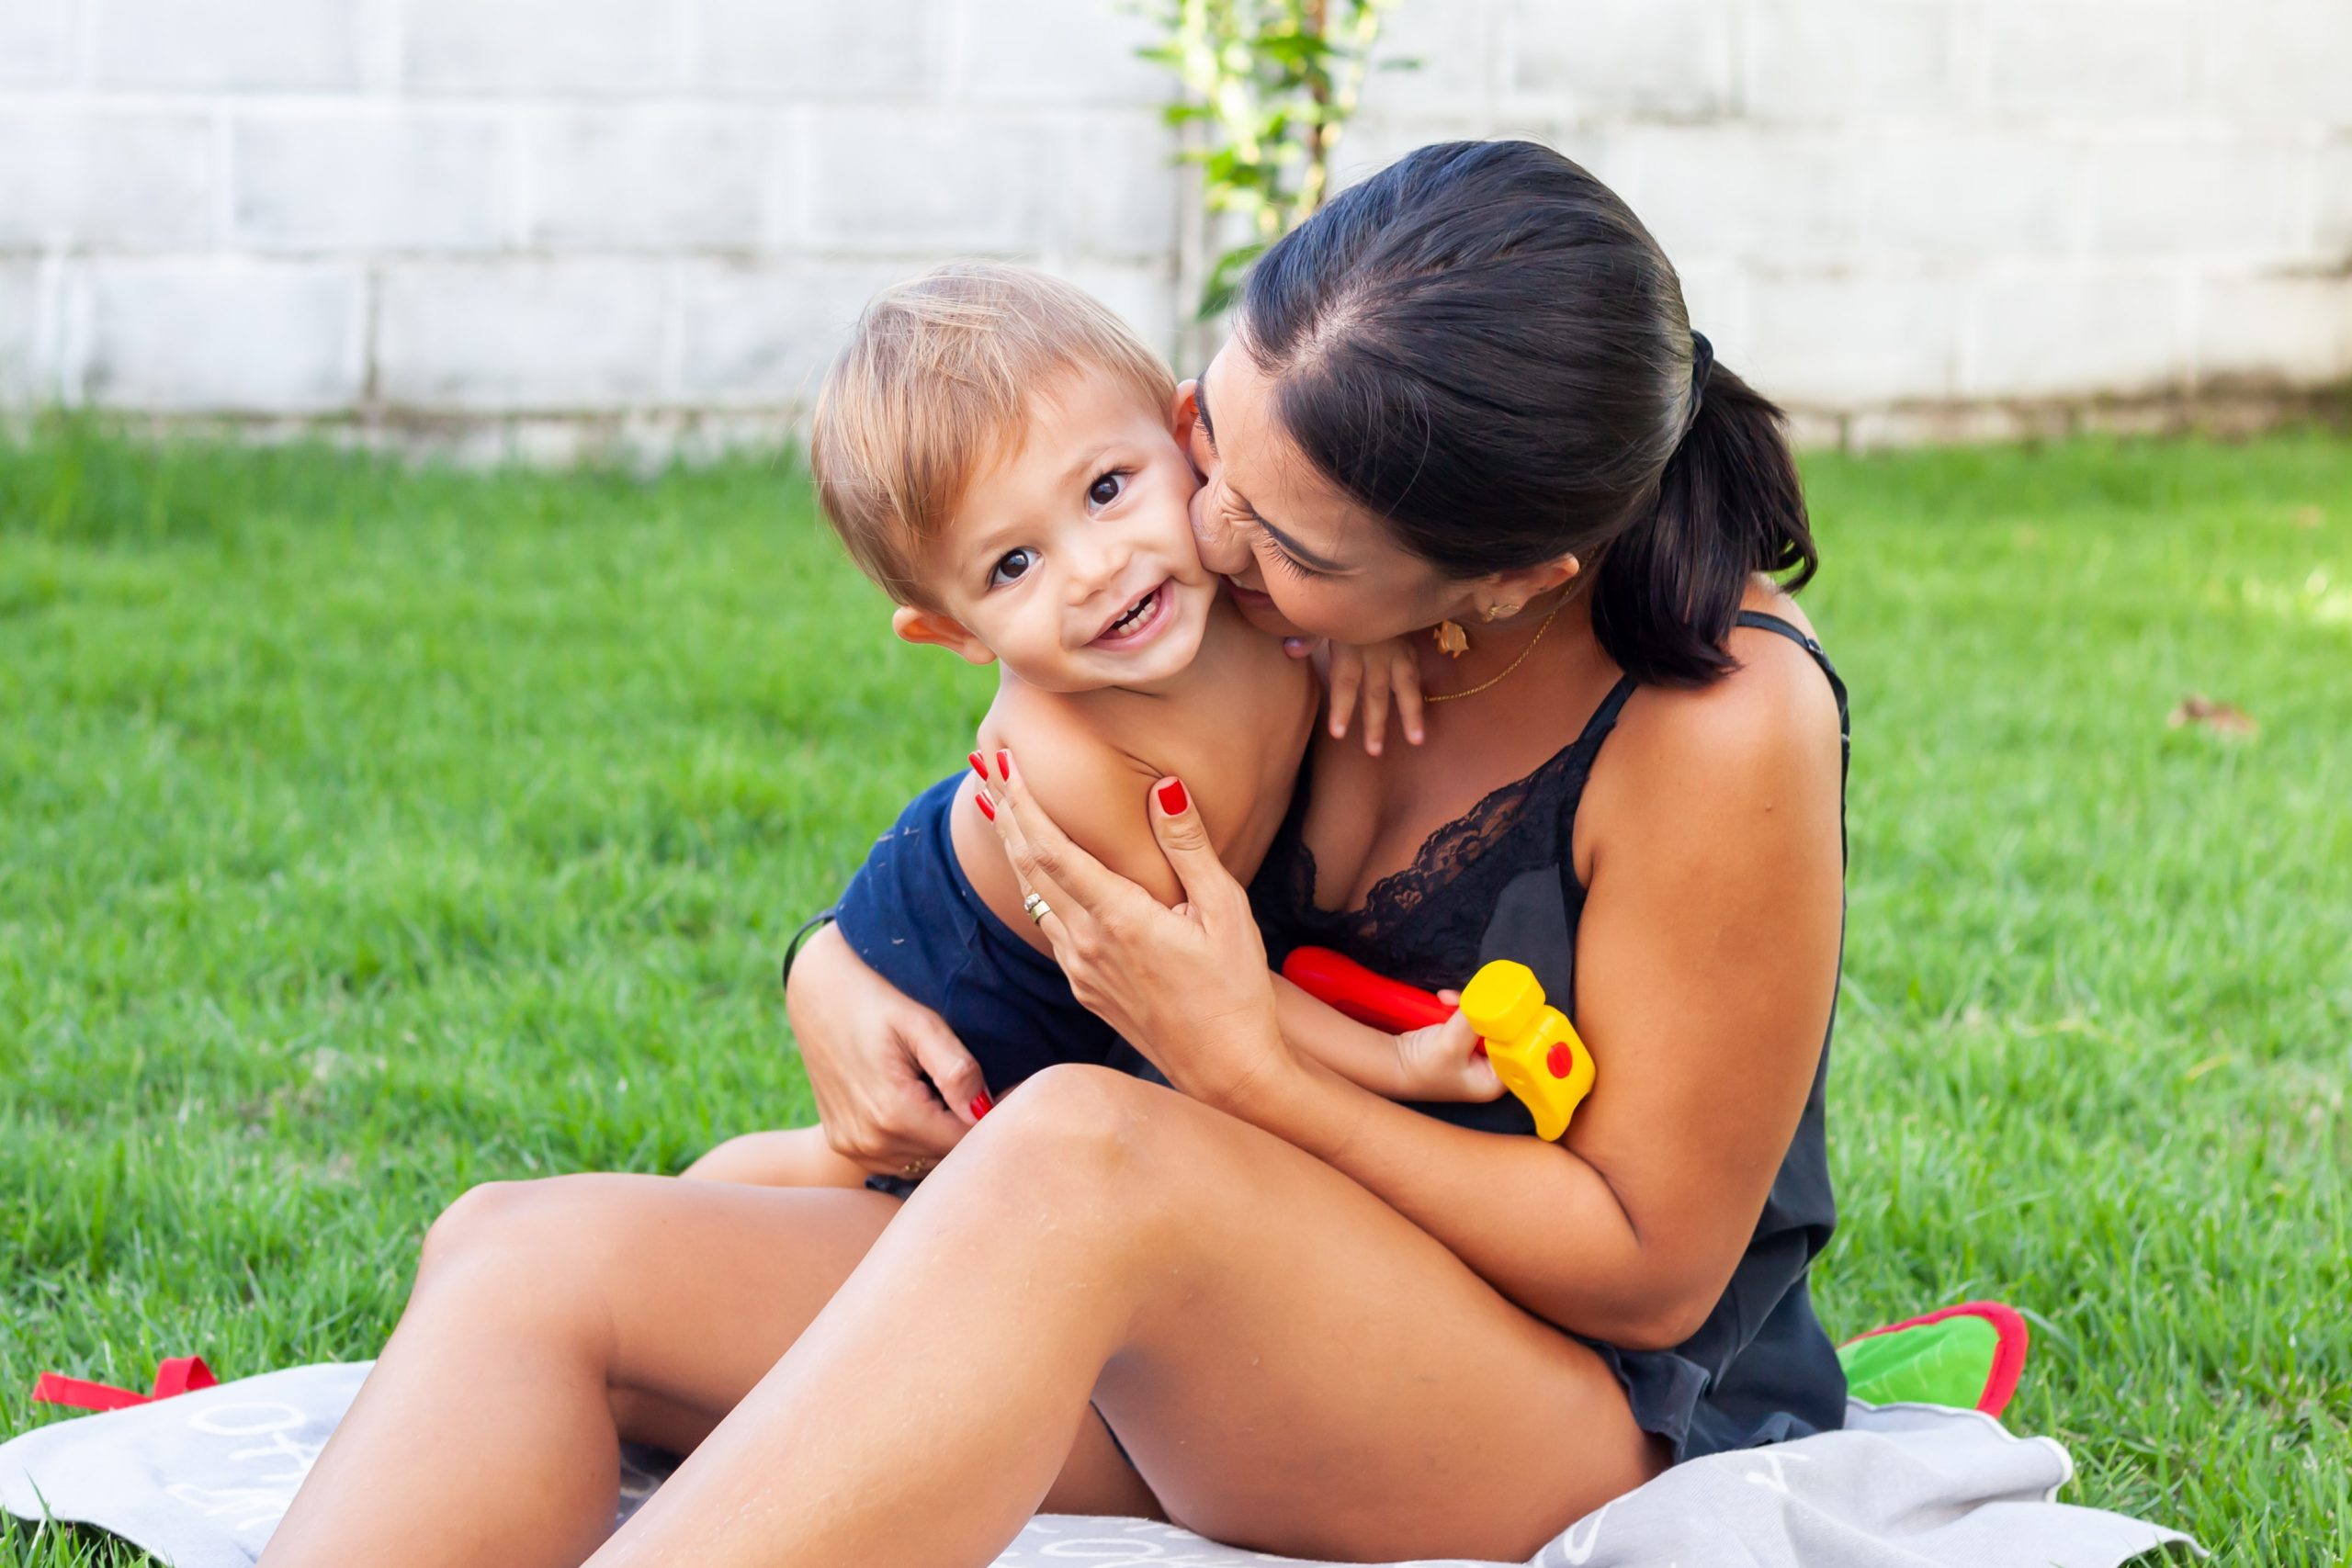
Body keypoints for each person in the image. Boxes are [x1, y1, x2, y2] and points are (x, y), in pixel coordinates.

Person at [257, 139, 1849, 1568]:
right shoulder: (1278, 578)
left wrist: (1247, 1066)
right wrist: (833, 961)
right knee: (520, 1251)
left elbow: (1650, 1271)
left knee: (1083, 1150)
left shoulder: (1717, 720)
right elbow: (1032, 790)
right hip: (1184, 1321)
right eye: (1205, 442)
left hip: (1566, 1405)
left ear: (1504, 582)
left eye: (1280, 539)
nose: (1201, 536)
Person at [687, 263, 1496, 1196]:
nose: (1094, 569)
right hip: (979, 982)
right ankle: (695, 1203)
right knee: (868, 1170)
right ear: (954, 632)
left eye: (1107, 488)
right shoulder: (1072, 761)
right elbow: (1200, 987)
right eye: (1013, 564)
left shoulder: (1239, 586)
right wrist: (1393, 1061)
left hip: (1124, 954)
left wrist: (1368, 632)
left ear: (1188, 437)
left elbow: (1344, 576)